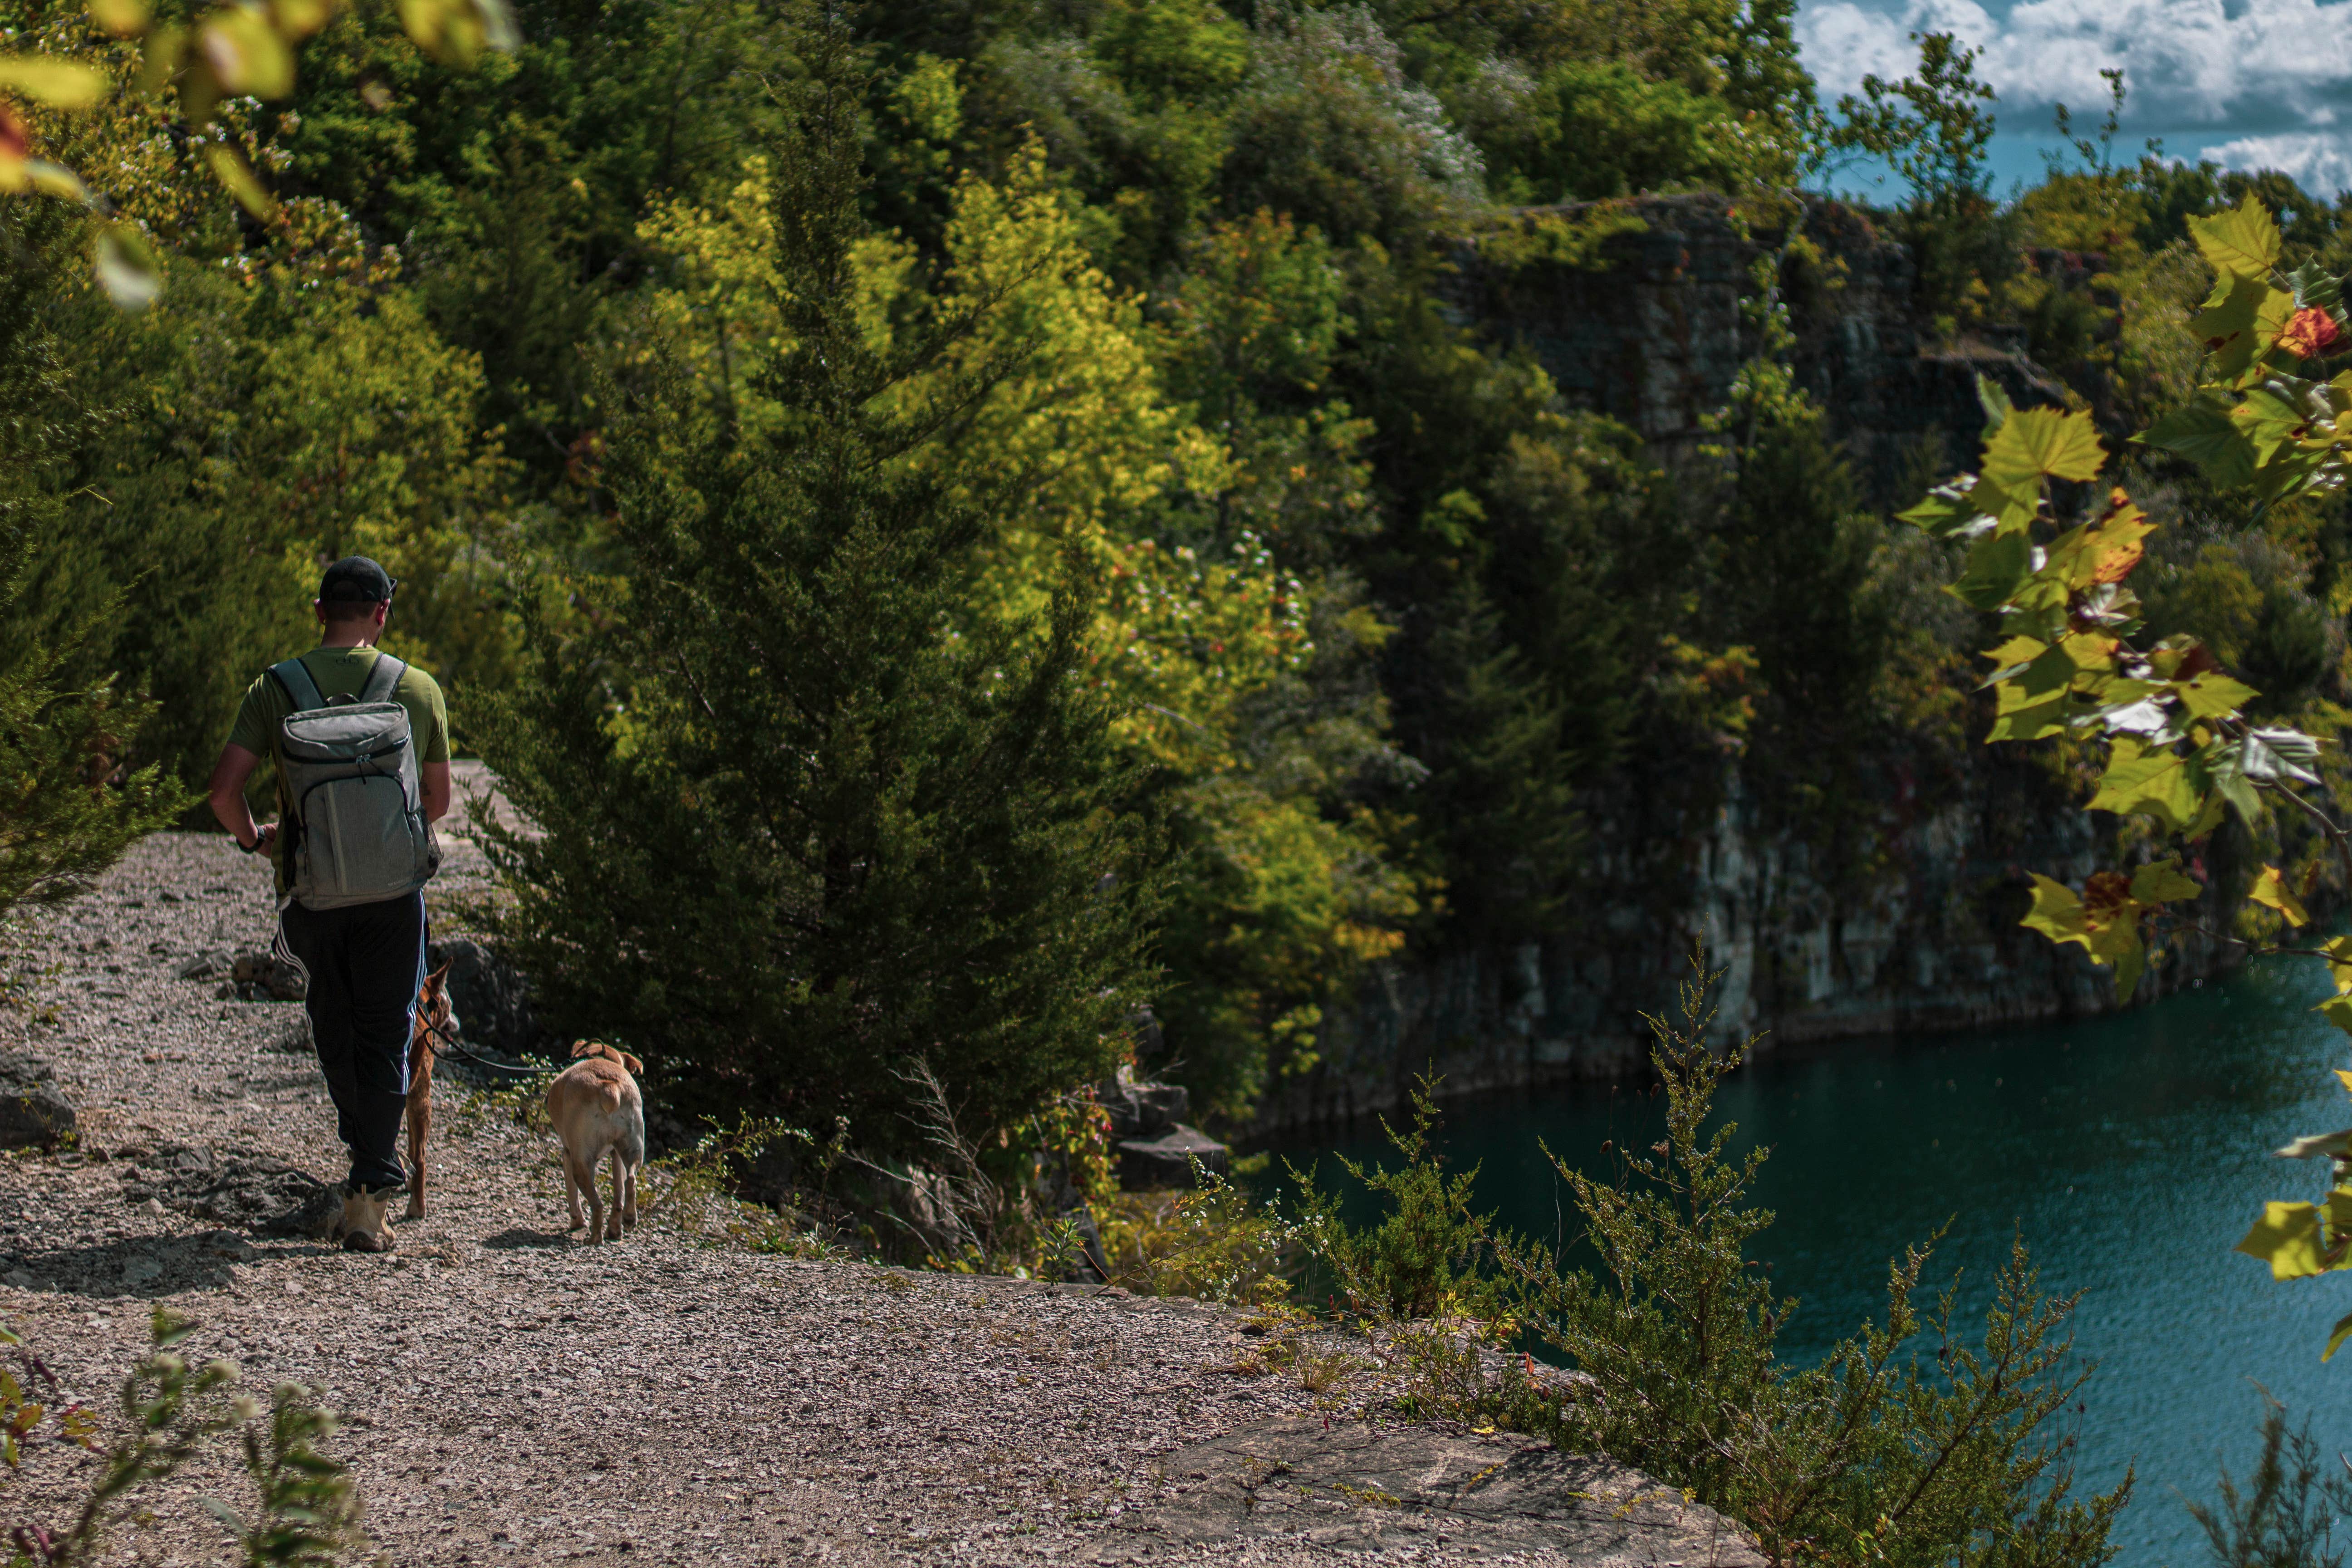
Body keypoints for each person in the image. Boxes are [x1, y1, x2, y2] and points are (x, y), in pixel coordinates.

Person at [206, 558, 451, 1246]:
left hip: (311, 894)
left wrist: (260, 841)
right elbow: (437, 803)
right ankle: (370, 1186)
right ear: (382, 613)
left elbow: (223, 794)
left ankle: (366, 1165)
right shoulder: (416, 688)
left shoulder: (275, 688)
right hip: (393, 896)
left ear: (319, 611)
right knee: (387, 1029)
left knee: (334, 1025)